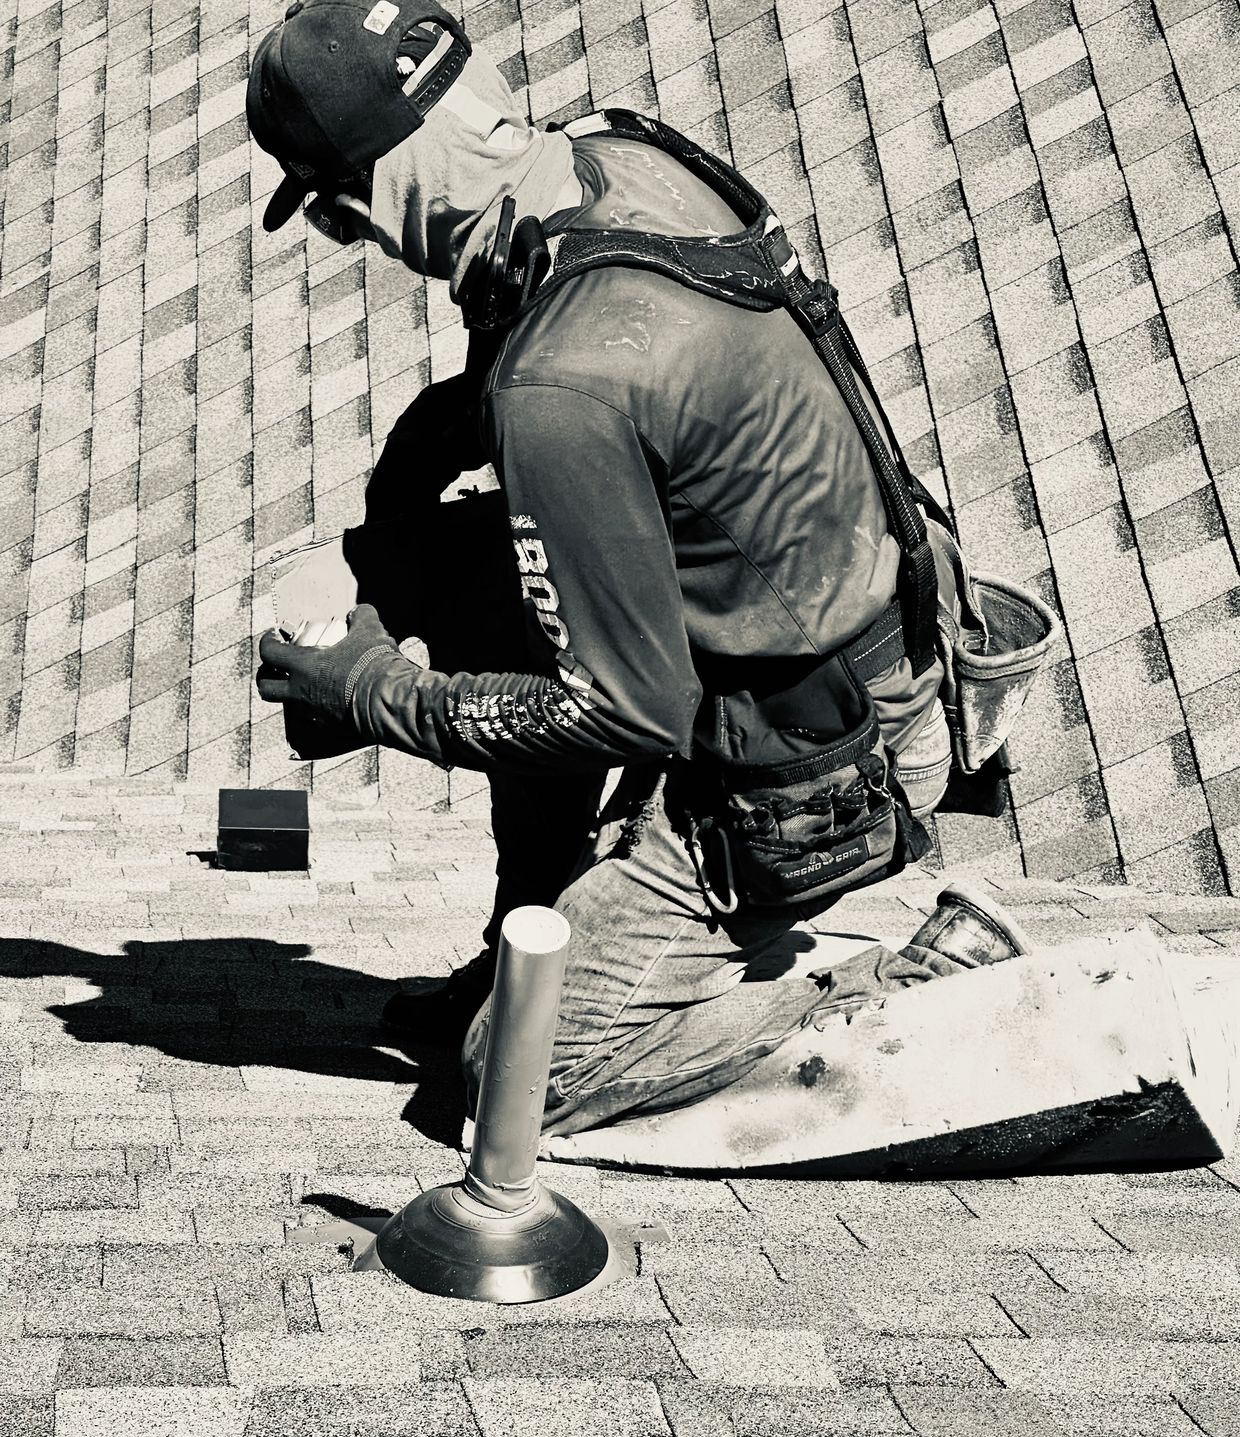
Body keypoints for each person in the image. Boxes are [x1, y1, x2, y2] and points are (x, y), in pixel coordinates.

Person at [247, 0, 1035, 1137]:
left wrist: (368, 689)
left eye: (332, 217)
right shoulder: (615, 156)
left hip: (808, 752)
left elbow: (620, 711)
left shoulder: (561, 391)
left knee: (514, 1080)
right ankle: (532, 934)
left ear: (373, 187)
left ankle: (920, 985)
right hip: (859, 626)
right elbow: (615, 391)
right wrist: (395, 533)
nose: (354, 239)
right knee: (464, 571)